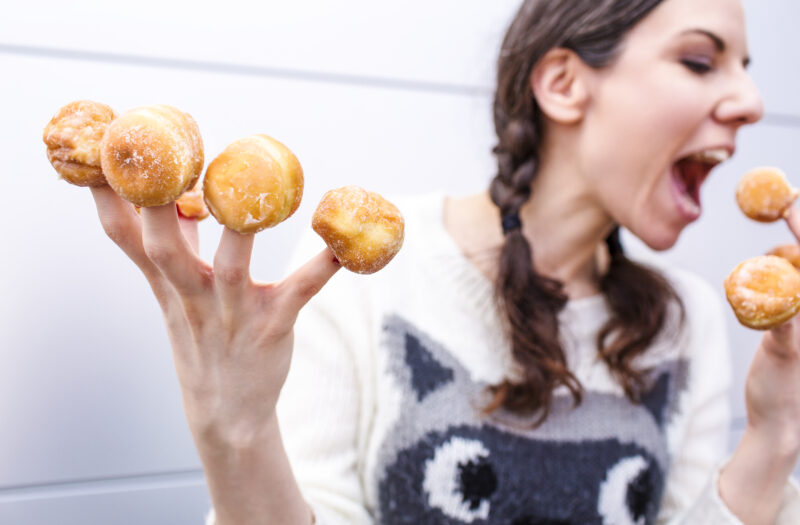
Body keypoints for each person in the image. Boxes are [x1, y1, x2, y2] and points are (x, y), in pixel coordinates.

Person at [88, 0, 800, 523]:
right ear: (563, 83)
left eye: (744, 68)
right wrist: (234, 431)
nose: (751, 101)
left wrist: (776, 431)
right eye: (700, 61)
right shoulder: (356, 268)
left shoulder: (688, 316)